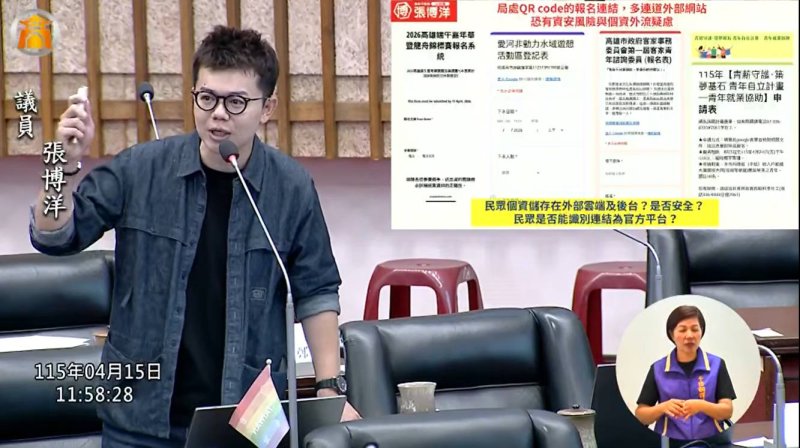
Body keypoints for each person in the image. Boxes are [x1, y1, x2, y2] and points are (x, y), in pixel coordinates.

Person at [29, 25, 361, 447]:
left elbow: (316, 292)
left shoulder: (290, 188)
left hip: (247, 421)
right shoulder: (141, 170)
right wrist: (60, 166)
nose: (218, 114)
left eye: (235, 102)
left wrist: (330, 388)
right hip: (141, 419)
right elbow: (55, 236)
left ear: (268, 107)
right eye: (207, 98)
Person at [635, 305, 736, 441]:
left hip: (711, 442)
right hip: (670, 443)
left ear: (701, 332)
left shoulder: (717, 365)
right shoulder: (658, 368)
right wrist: (662, 407)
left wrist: (701, 406)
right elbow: (641, 415)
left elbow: (727, 411)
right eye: (682, 330)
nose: (689, 335)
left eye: (695, 329)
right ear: (672, 334)